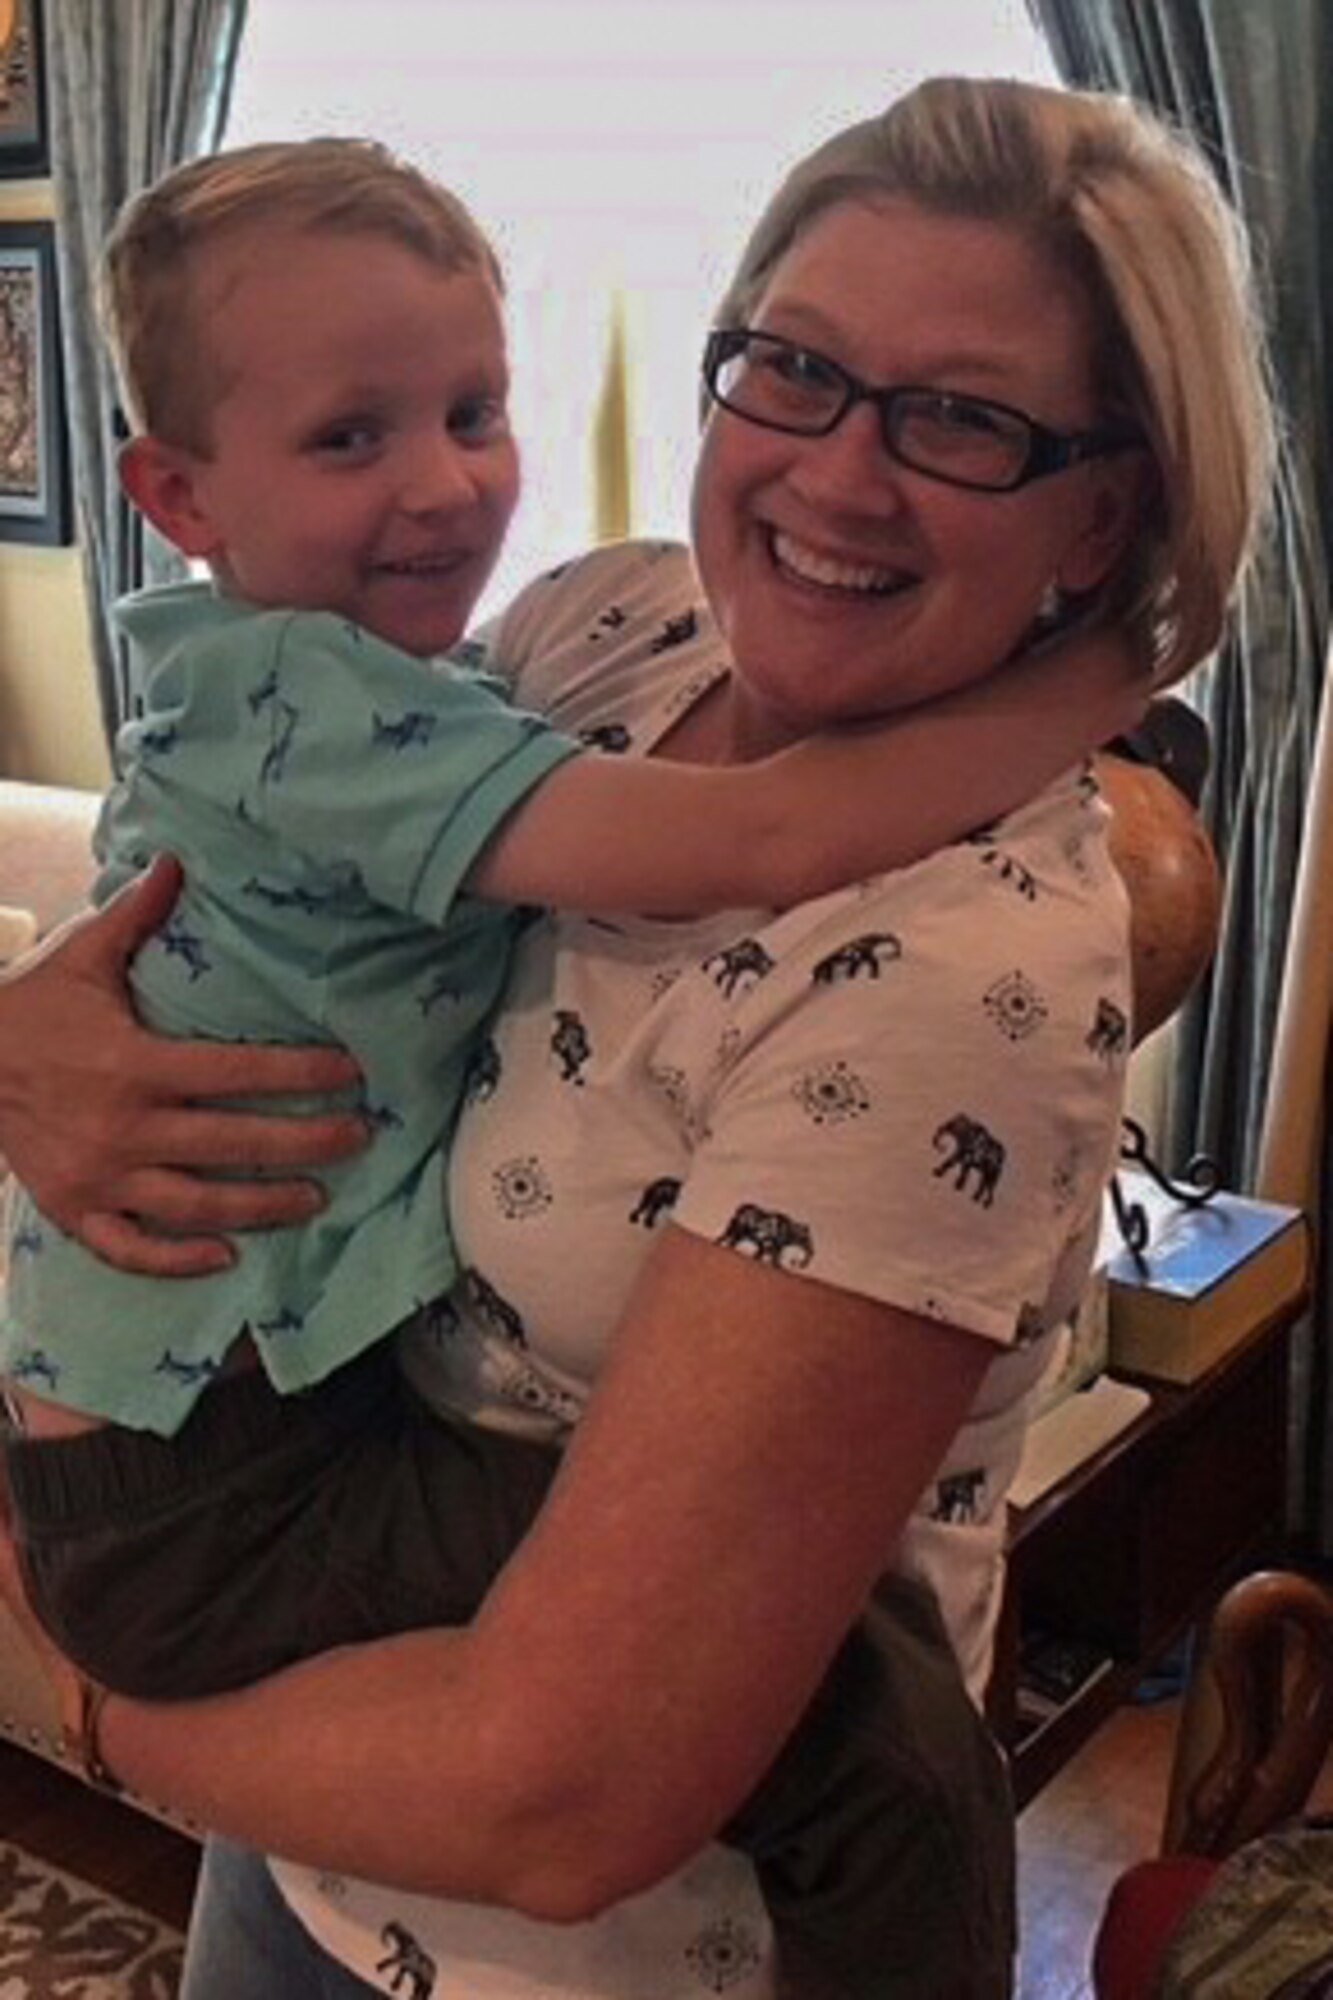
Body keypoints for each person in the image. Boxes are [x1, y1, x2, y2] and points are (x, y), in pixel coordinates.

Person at [0, 73, 1272, 2000]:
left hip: (575, 1958)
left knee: (896, 1759)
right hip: (294, 1848)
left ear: (1106, 511)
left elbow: (571, 1798)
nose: (838, 474)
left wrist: (81, 1711)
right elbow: (233, 903)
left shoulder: (960, 972)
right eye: (792, 369)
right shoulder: (601, 637)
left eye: (962, 419)